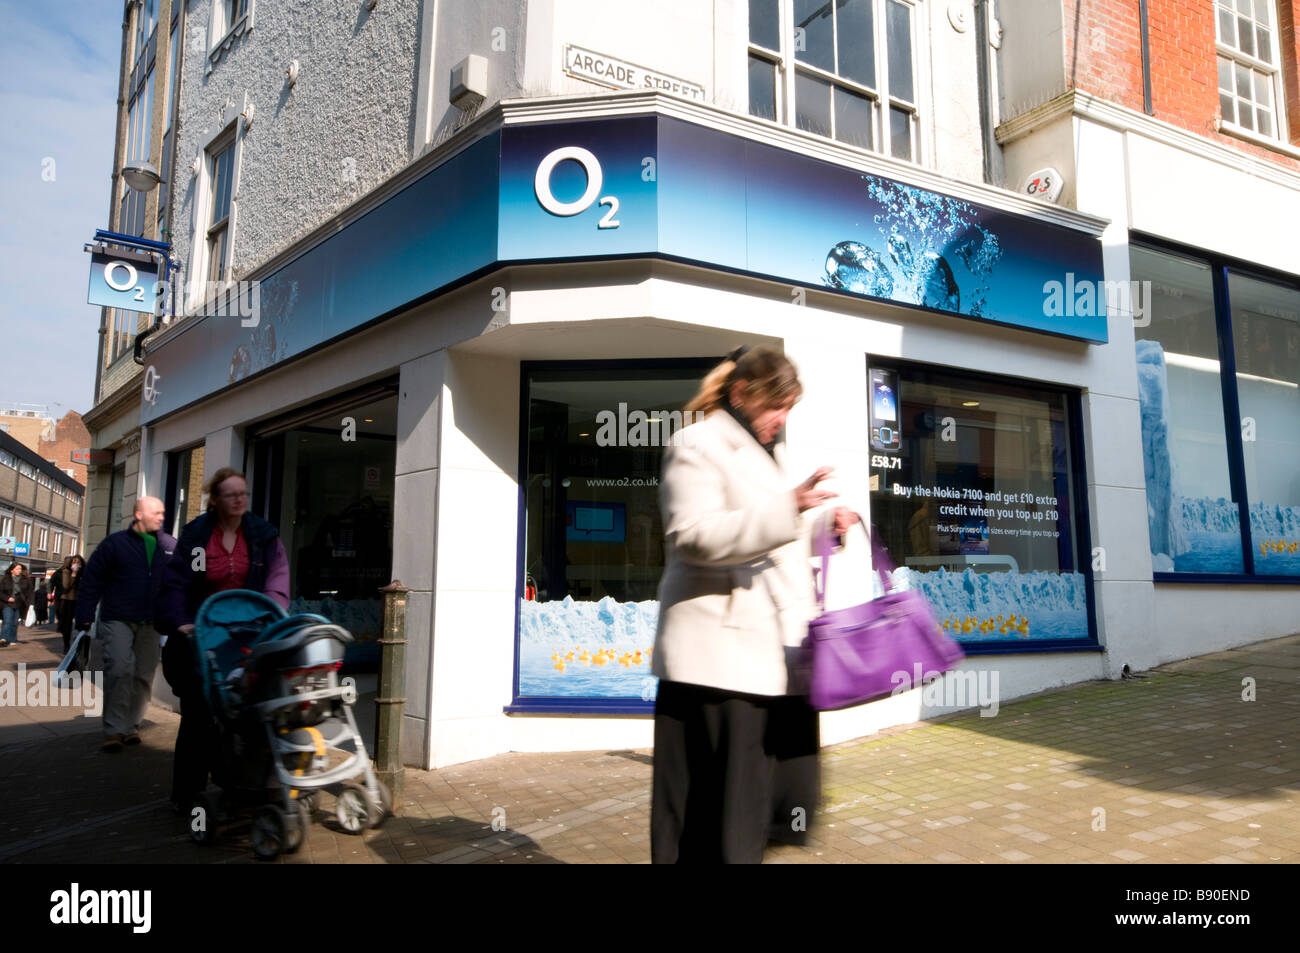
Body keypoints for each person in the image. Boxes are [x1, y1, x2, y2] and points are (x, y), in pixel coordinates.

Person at [650, 345, 853, 864]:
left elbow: (769, 536)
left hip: (770, 660)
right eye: (774, 406)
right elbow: (695, 536)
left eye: (788, 408)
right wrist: (789, 508)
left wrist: (822, 525)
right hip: (716, 666)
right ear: (741, 394)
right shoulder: (694, 443)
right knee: (711, 818)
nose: (781, 419)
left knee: (762, 811)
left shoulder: (769, 453)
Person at [157, 467, 290, 812]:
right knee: (199, 715)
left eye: (242, 493)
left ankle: (247, 784)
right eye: (230, 494)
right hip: (204, 634)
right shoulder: (197, 537)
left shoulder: (262, 535)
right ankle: (188, 796)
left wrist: (272, 613)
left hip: (249, 635)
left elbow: (276, 580)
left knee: (252, 710)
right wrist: (183, 623)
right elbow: (178, 584)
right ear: (215, 500)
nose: (238, 499)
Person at [75, 499, 176, 752]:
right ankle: (113, 729)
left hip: (152, 621)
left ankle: (131, 726)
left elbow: (180, 582)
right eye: (156, 512)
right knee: (120, 668)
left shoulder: (171, 546)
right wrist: (84, 615)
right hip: (118, 617)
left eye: (163, 512)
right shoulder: (115, 544)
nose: (161, 517)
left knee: (144, 675)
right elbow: (91, 580)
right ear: (138, 514)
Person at [54, 555, 84, 655]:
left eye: (78, 563)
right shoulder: (66, 572)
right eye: (74, 562)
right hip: (67, 600)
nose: (76, 565)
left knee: (81, 623)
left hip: (80, 600)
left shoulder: (84, 572)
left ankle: (79, 645)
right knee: (67, 624)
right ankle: (66, 645)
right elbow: (66, 586)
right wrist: (74, 574)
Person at [0, 562, 34, 648]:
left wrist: (31, 604)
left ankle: (12, 639)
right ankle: (3, 639)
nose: (19, 571)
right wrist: (7, 598)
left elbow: (30, 593)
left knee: (15, 622)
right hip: (7, 604)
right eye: (17, 569)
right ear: (12, 570)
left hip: (19, 604)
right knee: (7, 620)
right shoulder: (5, 579)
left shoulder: (25, 580)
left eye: (20, 569)